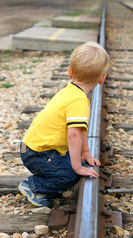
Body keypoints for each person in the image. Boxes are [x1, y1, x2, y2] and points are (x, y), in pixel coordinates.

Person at [18, 41, 110, 207]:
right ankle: (33, 186)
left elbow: (80, 128)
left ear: (70, 71)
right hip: (38, 154)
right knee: (70, 176)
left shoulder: (71, 91)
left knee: (74, 165)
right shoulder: (79, 101)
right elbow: (73, 134)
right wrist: (78, 167)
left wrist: (85, 152)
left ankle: (50, 181)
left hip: (36, 148)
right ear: (102, 78)